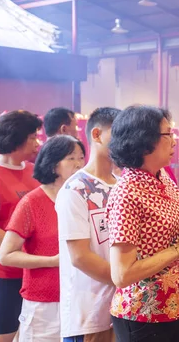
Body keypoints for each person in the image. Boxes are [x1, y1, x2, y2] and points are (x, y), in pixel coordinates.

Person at [106, 105, 179, 342]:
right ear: (144, 142)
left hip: (173, 306)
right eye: (168, 134)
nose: (174, 141)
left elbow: (171, 236)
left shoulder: (162, 177)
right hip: (144, 312)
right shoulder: (127, 193)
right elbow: (122, 274)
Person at [0, 135, 85, 342]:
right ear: (54, 164)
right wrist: (52, 261)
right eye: (71, 158)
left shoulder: (82, 199)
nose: (79, 164)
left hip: (79, 300)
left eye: (81, 157)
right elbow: (7, 255)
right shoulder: (32, 202)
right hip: (44, 304)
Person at [56, 107, 120, 342]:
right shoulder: (75, 189)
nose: (125, 142)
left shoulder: (122, 185)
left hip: (121, 308)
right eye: (118, 134)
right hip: (89, 314)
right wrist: (127, 277)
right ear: (96, 135)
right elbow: (80, 257)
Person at [0, 110, 42, 342]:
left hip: (35, 269)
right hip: (5, 271)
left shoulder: (35, 172)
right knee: (4, 334)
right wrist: (20, 251)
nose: (37, 142)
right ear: (16, 137)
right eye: (33, 136)